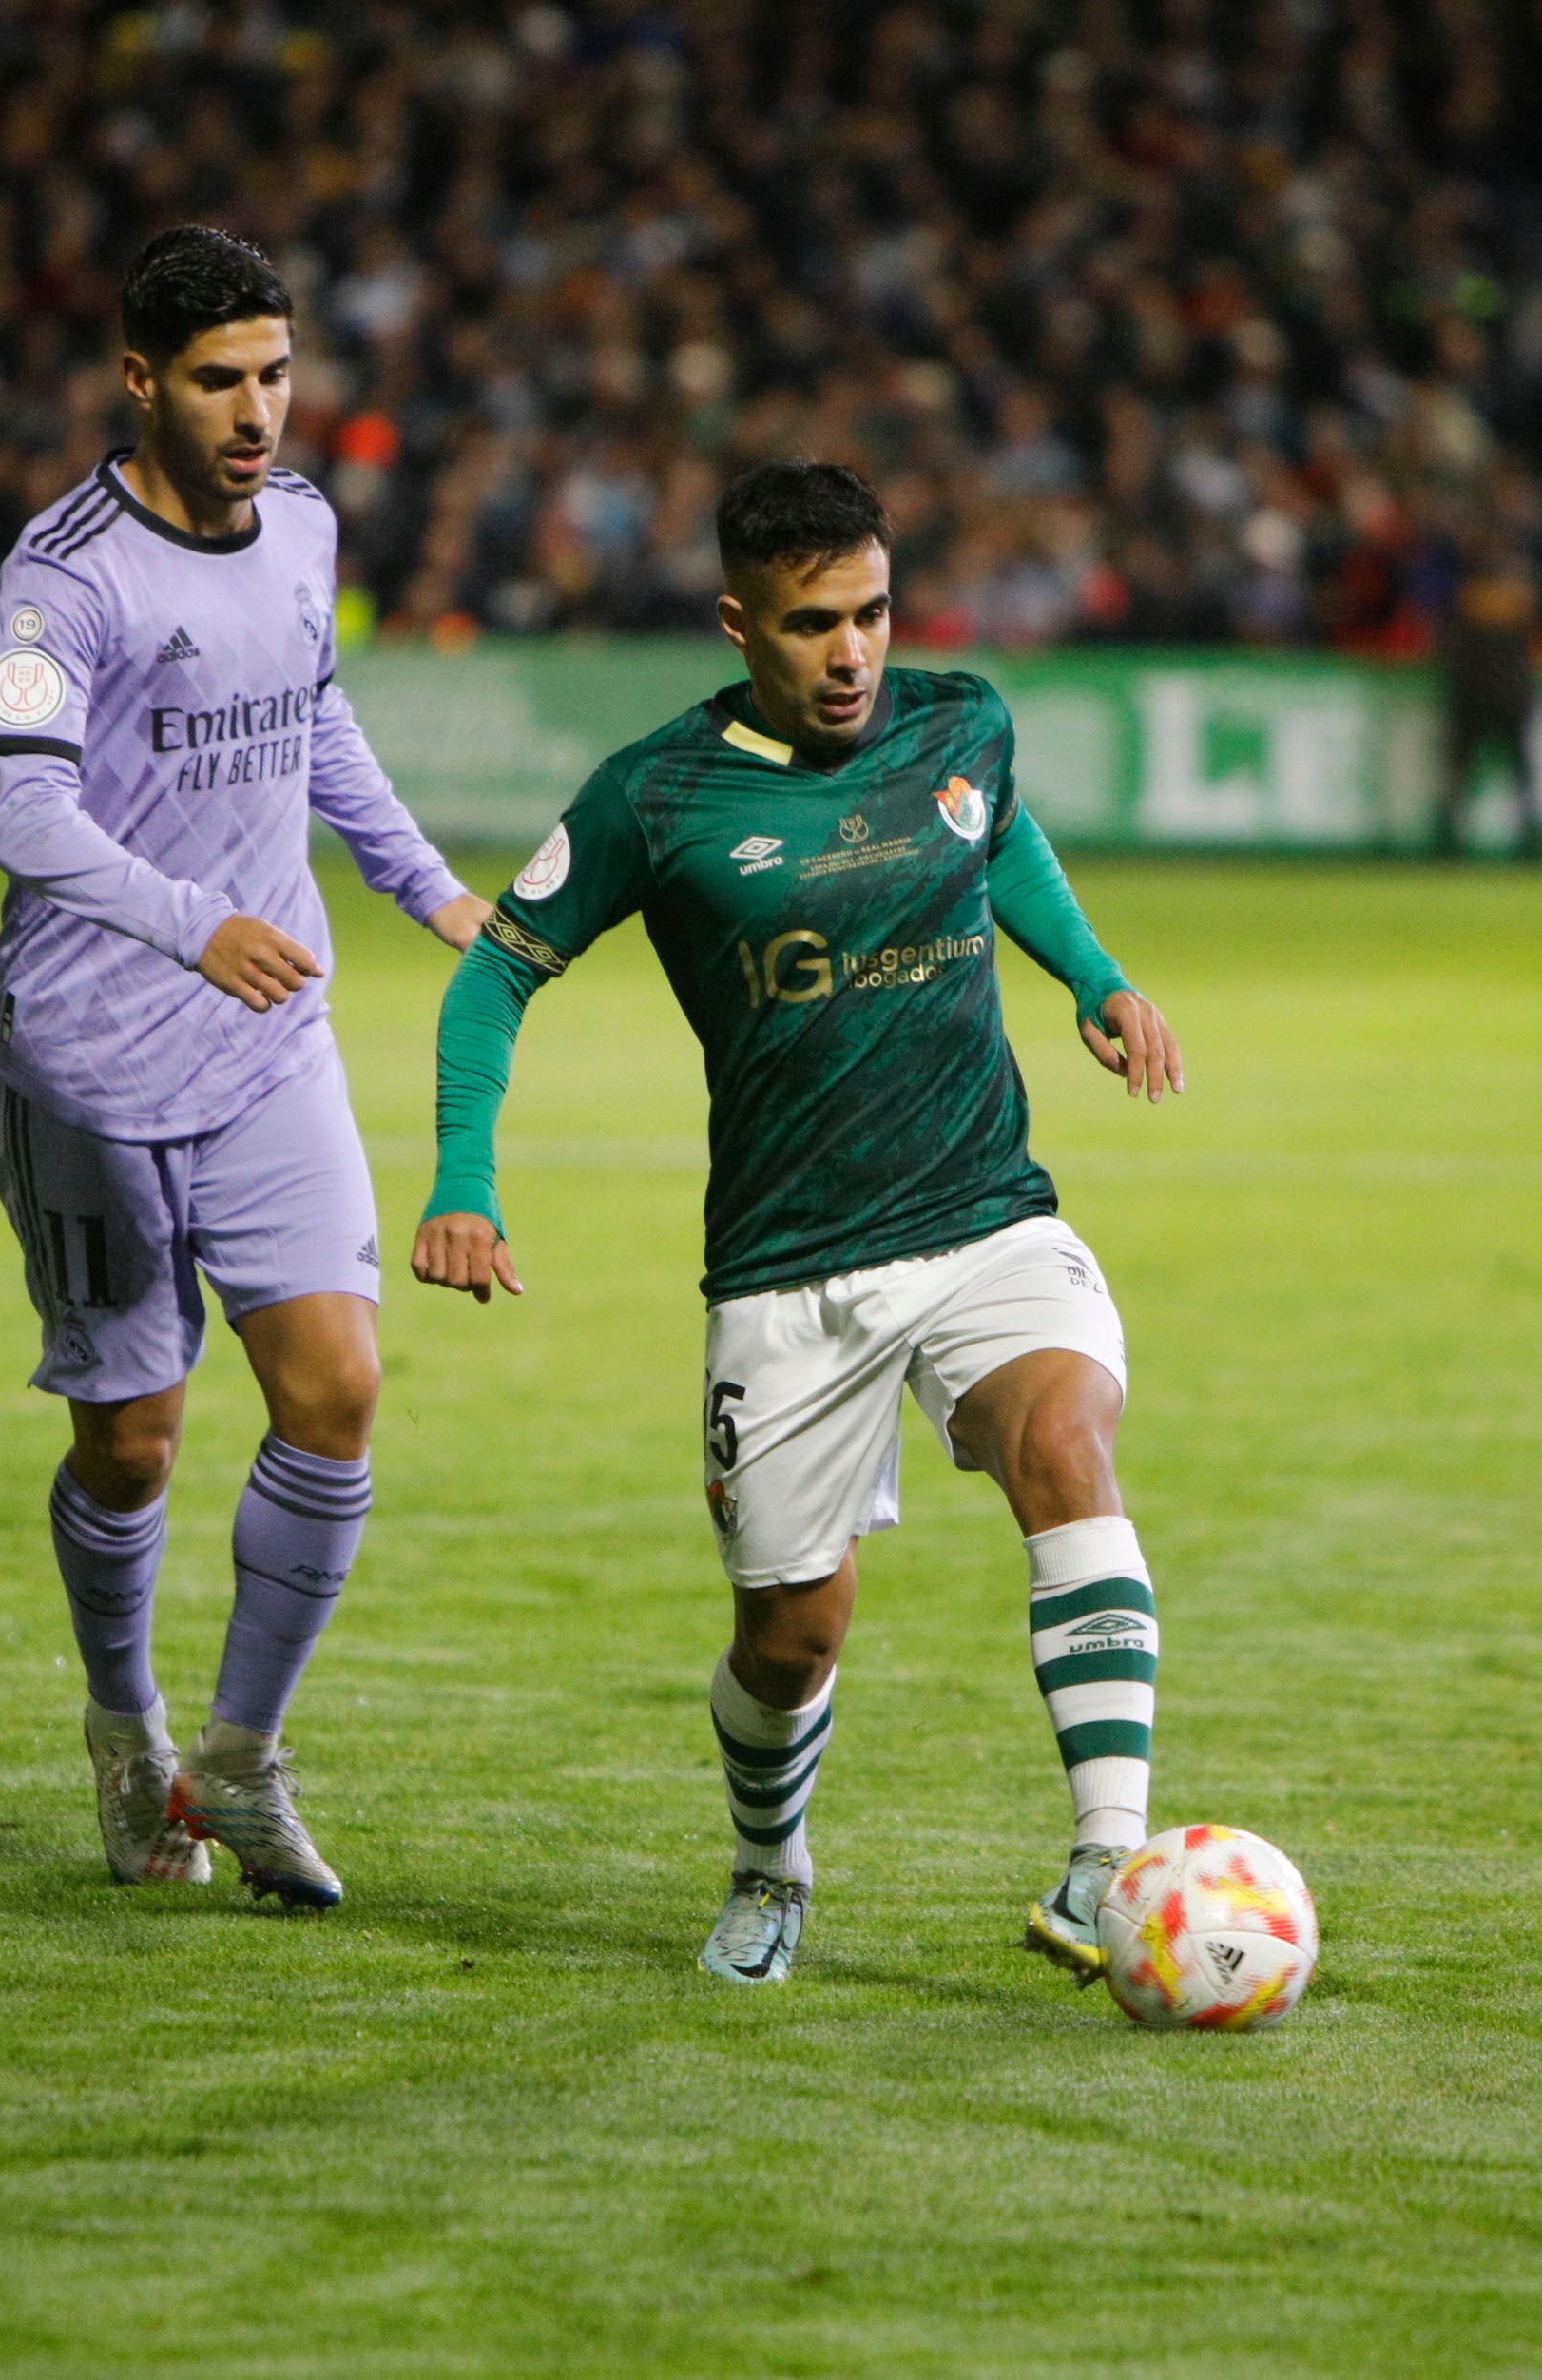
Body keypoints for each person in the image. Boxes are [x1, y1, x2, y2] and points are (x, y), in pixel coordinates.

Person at [414, 461, 1183, 1987]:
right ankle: (770, 1866)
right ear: (737, 624)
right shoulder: (657, 793)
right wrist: (461, 1177)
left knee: (1065, 1443)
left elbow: (994, 828)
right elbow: (495, 971)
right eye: (815, 622)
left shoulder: (959, 720)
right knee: (792, 1633)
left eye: (875, 613)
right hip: (788, 1270)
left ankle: (1110, 1859)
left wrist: (1092, 975)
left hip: (982, 1213)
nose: (854, 653)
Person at [0, 226, 489, 1906]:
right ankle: (127, 1741)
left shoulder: (306, 530)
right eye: (218, 378)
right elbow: (21, 809)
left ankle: (244, 1765)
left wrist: (419, 879)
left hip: (270, 1047)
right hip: (94, 1071)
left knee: (335, 1393)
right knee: (132, 1442)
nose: (258, 407)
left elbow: (314, 711)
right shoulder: (62, 578)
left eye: (273, 371)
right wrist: (193, 918)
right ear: (139, 381)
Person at [1435, 538, 1542, 862]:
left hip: (1473, 698)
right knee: (1522, 775)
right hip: (1511, 698)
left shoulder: (1466, 598)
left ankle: (1448, 844)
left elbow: (1453, 652)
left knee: (1459, 773)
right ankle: (1532, 844)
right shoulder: (1520, 599)